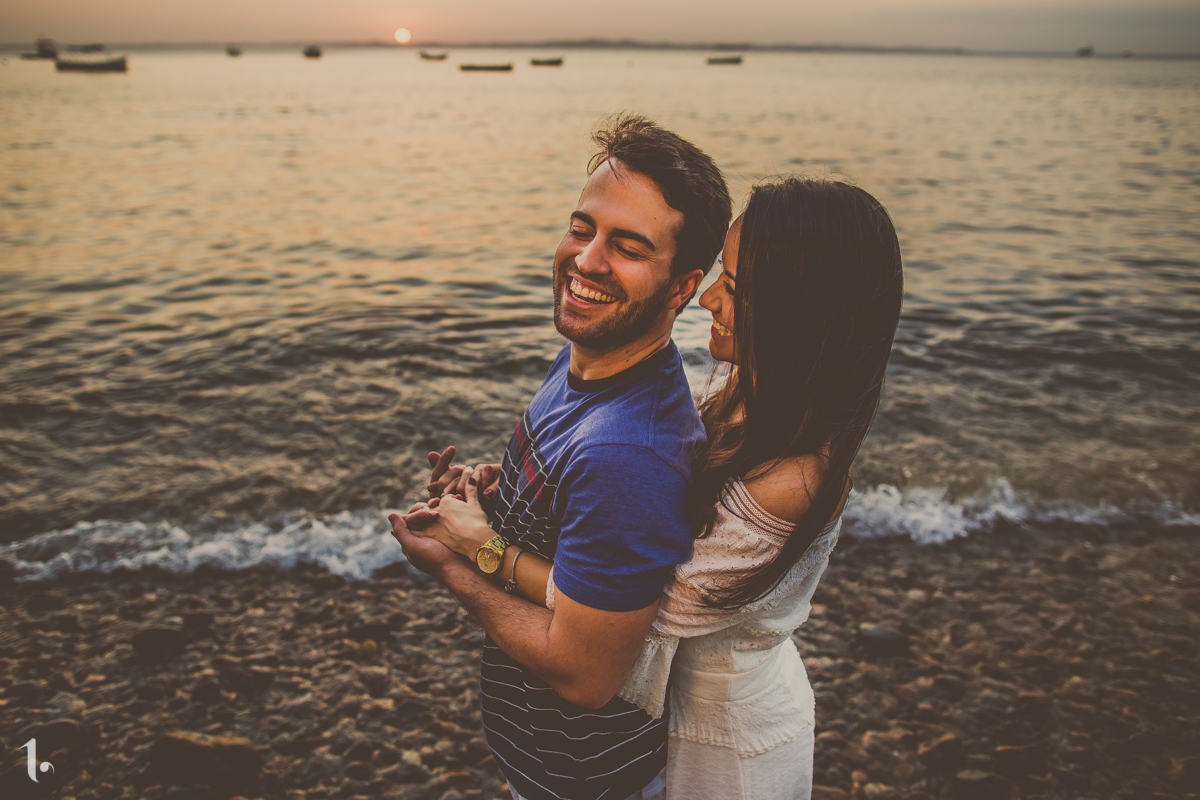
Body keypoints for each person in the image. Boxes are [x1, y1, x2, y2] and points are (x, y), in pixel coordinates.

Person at [408, 176, 904, 799]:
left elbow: (637, 606)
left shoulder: (791, 477)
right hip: (674, 710)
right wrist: (514, 493)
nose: (707, 300)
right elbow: (632, 517)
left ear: (795, 309)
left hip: (726, 739)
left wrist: (482, 548)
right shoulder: (746, 390)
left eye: (734, 284)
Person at [390, 112, 732, 800]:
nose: (586, 260)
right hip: (547, 763)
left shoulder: (629, 453)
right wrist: (493, 492)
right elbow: (568, 504)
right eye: (583, 228)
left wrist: (453, 565)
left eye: (627, 246)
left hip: (589, 779)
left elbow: (585, 673)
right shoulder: (591, 351)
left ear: (680, 287)